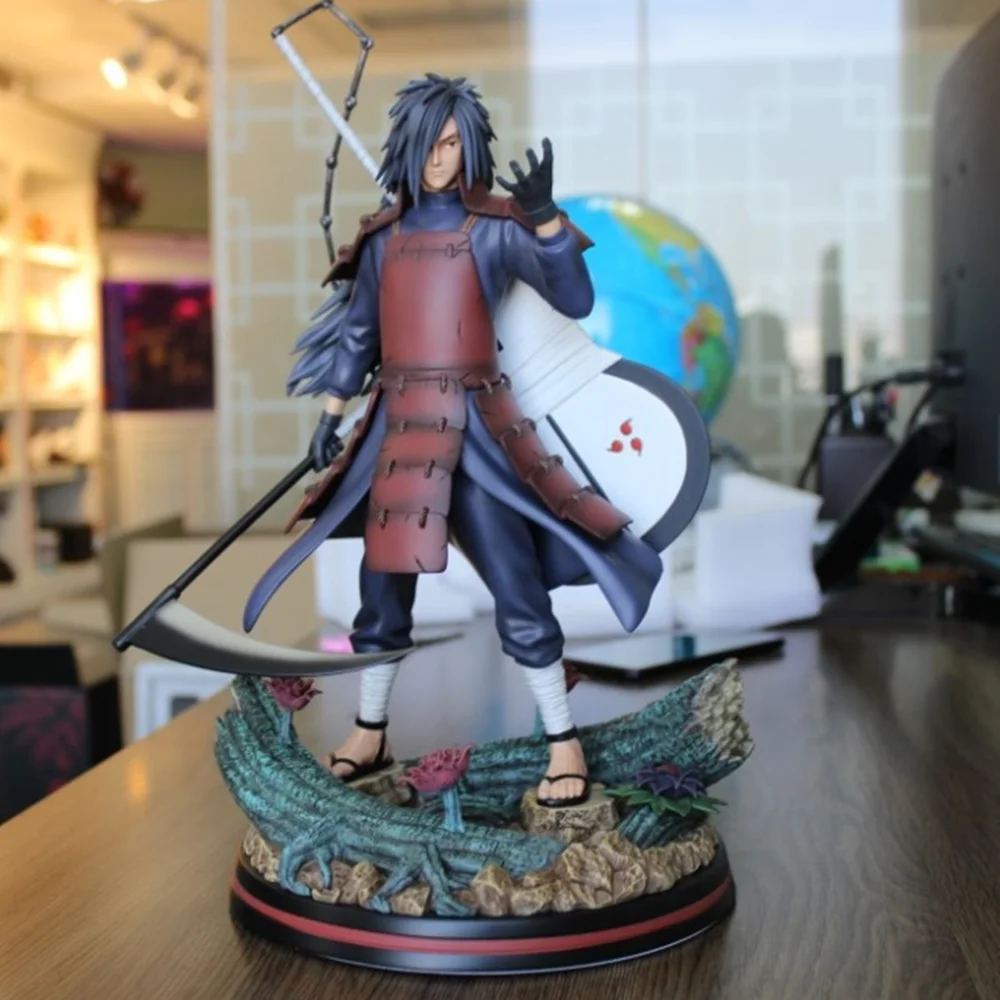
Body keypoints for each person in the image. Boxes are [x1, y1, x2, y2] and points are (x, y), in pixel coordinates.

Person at [243, 73, 663, 808]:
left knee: (515, 581)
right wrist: (330, 415)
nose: (441, 158)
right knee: (383, 587)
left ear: (470, 147)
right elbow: (359, 334)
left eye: (452, 143)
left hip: (476, 427)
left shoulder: (496, 228)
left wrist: (545, 223)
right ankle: (370, 729)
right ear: (408, 146)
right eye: (430, 144)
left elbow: (575, 298)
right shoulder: (383, 239)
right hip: (400, 428)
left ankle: (562, 739)